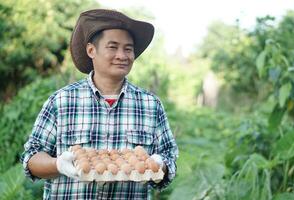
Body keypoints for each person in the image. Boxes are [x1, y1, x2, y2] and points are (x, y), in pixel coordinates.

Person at [21, 9, 178, 200]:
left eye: (128, 49)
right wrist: (58, 165)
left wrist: (158, 163)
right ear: (91, 50)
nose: (122, 55)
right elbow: (31, 157)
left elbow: (169, 156)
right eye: (113, 47)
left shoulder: (150, 105)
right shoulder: (61, 101)